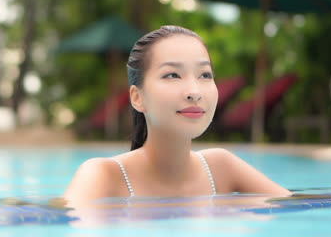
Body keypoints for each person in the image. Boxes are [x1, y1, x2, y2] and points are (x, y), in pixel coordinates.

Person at [64, 25, 291, 208]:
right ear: (137, 97)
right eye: (172, 75)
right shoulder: (103, 176)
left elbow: (298, 209)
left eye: (205, 74)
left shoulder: (221, 167)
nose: (194, 92)